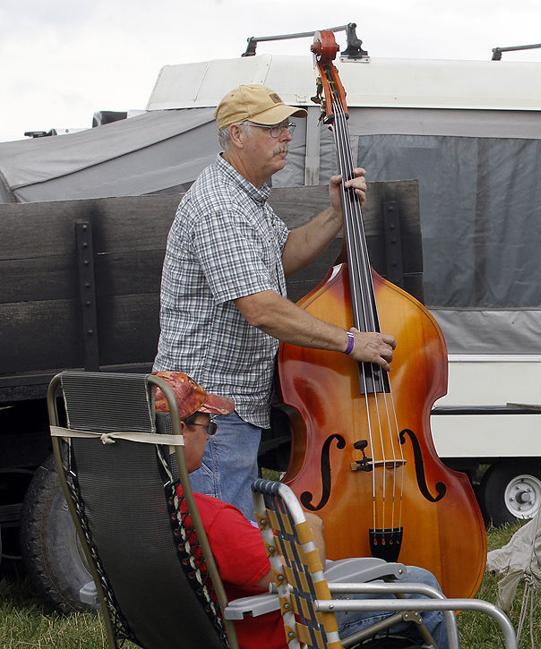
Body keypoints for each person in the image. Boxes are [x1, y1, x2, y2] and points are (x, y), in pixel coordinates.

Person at [152, 370, 499, 649]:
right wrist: (309, 527)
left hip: (209, 634)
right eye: (206, 425)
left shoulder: (136, 511)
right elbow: (303, 573)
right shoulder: (205, 517)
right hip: (274, 635)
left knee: (382, 586)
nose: (210, 434)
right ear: (177, 431)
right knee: (418, 589)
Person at [153, 83, 397, 522]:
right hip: (208, 414)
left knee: (226, 539)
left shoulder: (245, 198)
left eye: (286, 126)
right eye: (273, 128)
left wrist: (335, 214)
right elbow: (261, 307)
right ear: (236, 135)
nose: (286, 135)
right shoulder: (221, 206)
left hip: (224, 408)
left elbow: (281, 256)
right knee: (217, 549)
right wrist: (349, 342)